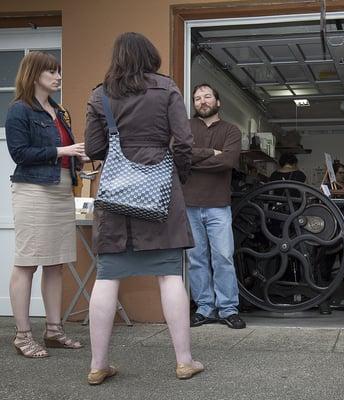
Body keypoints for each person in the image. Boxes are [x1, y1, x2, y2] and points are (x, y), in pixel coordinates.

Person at [85, 32, 202, 384]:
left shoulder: (99, 93)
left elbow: (93, 147)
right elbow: (183, 141)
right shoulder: (166, 89)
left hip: (116, 198)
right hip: (160, 193)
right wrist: (177, 175)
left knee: (107, 277)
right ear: (150, 56)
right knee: (169, 275)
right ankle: (184, 361)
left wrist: (122, 157)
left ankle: (97, 365)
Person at [5, 51, 85, 359]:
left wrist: (76, 158)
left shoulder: (59, 111)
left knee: (56, 262)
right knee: (27, 262)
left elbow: (61, 152)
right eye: (52, 71)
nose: (58, 76)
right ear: (34, 74)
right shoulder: (18, 111)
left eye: (58, 71)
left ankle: (54, 331)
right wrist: (63, 149)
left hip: (61, 187)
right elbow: (20, 153)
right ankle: (23, 336)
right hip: (33, 191)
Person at [183, 83, 245, 330]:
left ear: (218, 102)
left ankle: (228, 309)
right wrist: (211, 153)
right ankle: (205, 308)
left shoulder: (231, 130)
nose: (202, 101)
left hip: (219, 205)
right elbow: (180, 157)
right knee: (196, 259)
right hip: (189, 205)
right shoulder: (186, 127)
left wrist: (195, 159)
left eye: (207, 96)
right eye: (198, 98)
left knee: (223, 258)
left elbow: (228, 160)